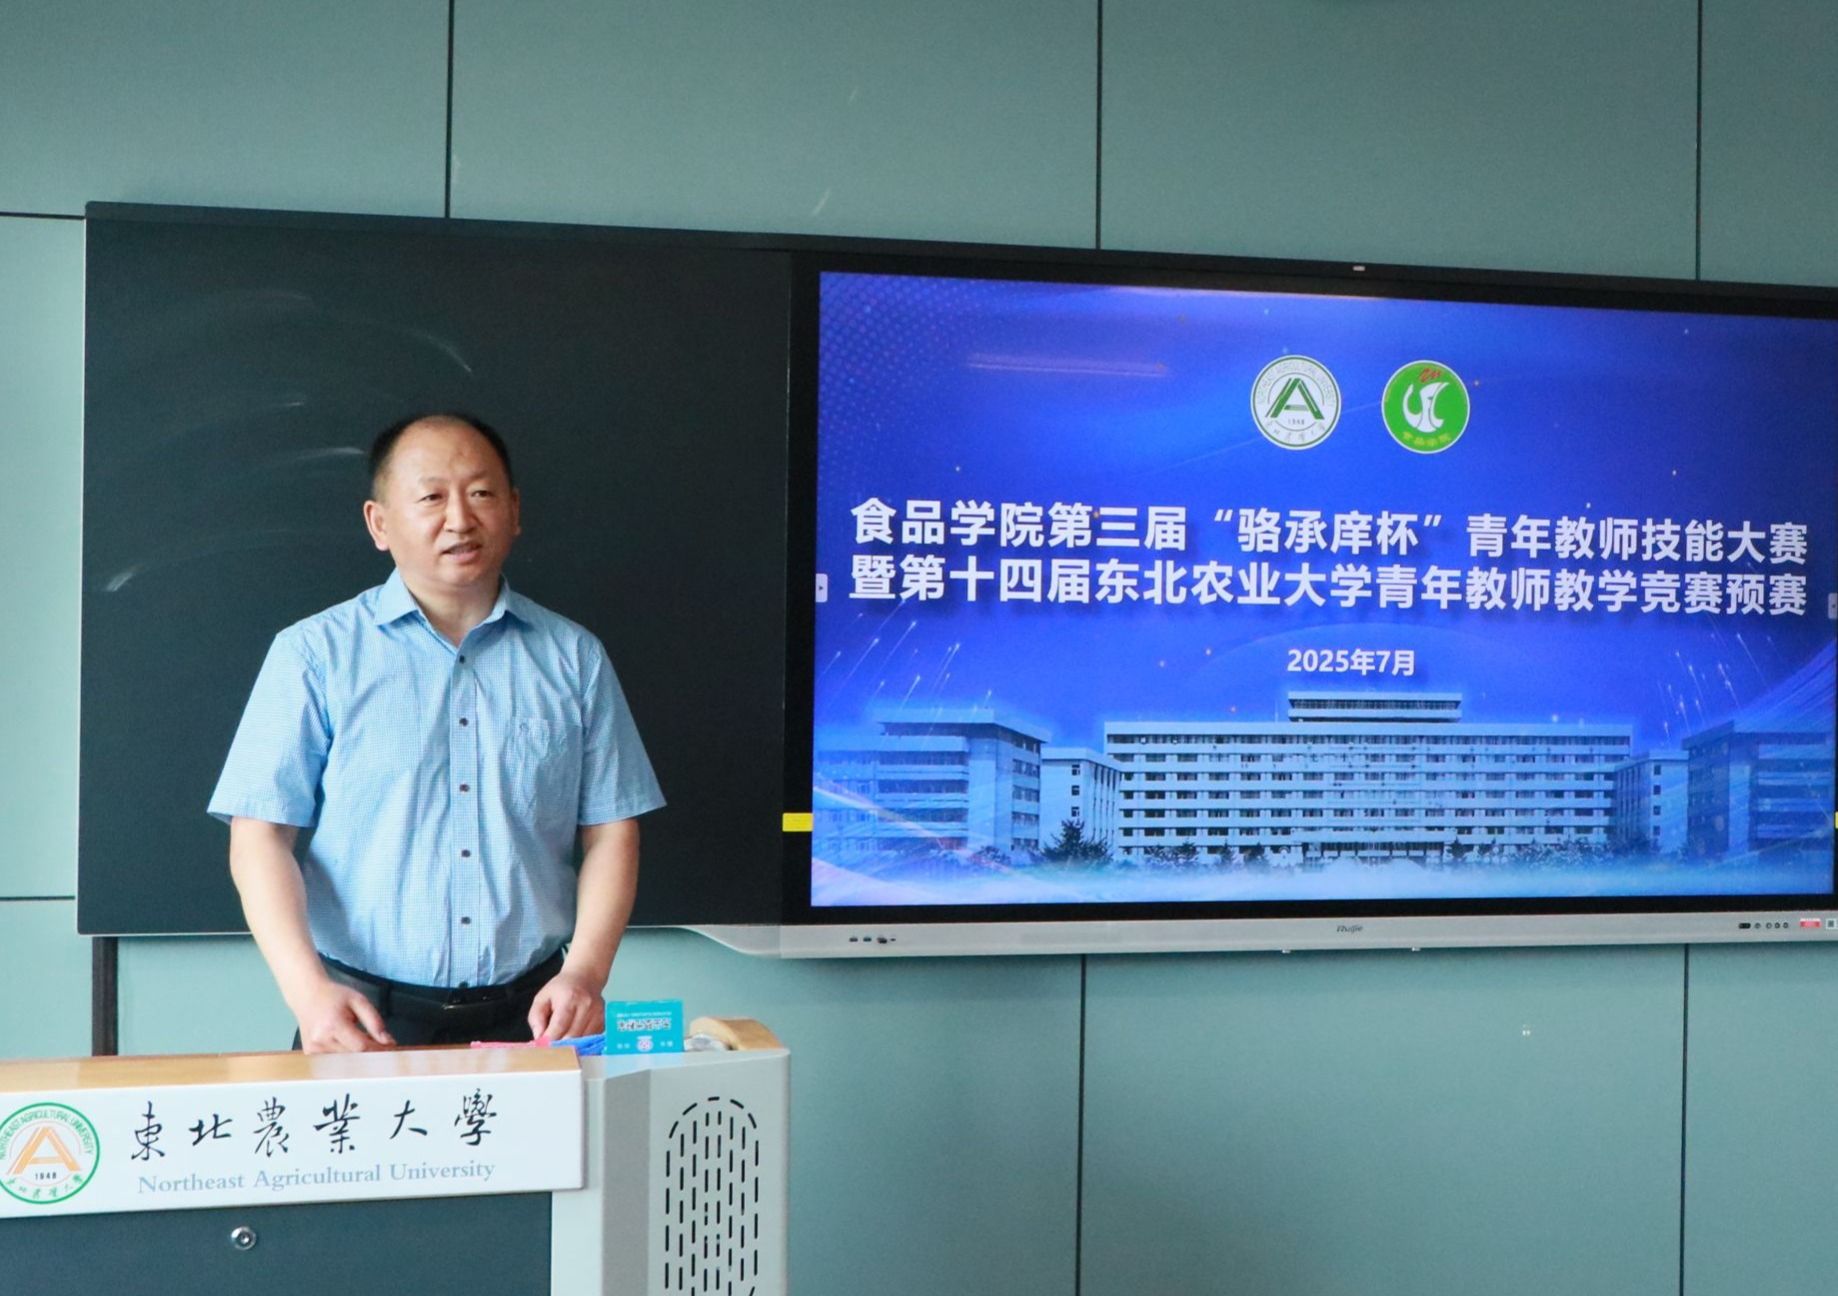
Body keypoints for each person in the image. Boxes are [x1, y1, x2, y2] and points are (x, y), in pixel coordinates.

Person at [208, 413, 664, 1052]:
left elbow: (613, 829)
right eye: (431, 497)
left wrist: (586, 973)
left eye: (481, 493)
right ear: (379, 523)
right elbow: (258, 834)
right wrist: (307, 993)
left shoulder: (574, 657)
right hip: (362, 1020)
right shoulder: (314, 655)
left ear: (514, 511)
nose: (459, 519)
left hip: (535, 1016)